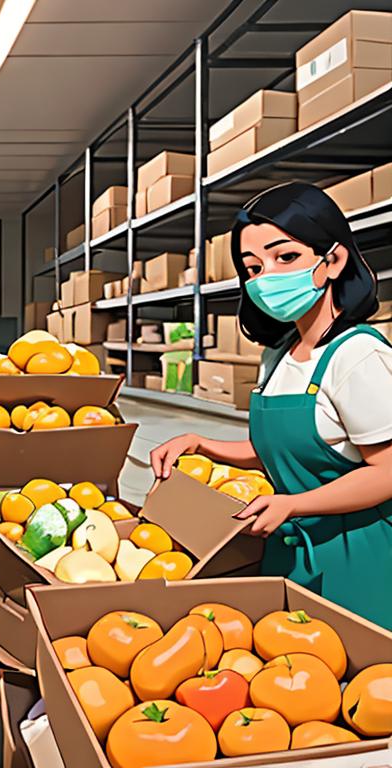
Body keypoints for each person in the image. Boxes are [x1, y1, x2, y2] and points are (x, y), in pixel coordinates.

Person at [151, 182, 392, 628]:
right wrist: (203, 444)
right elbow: (282, 448)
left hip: (357, 556)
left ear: (333, 260)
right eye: (253, 267)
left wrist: (293, 504)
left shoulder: (358, 356)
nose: (268, 278)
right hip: (292, 548)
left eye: (286, 258)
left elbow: (388, 472)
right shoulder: (279, 353)